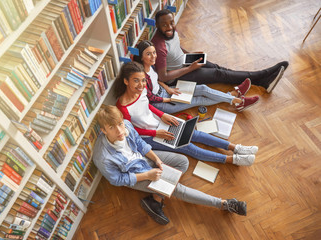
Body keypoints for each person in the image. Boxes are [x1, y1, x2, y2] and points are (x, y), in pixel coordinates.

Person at [93, 105, 248, 225]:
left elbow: (139, 143)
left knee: (183, 161)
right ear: (103, 130)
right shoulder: (102, 157)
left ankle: (156, 198)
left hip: (144, 158)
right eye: (112, 127)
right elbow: (118, 180)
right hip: (135, 172)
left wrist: (157, 160)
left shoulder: (126, 125)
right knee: (178, 189)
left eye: (120, 124)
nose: (120, 130)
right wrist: (148, 175)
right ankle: (224, 204)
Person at [114, 62, 258, 166]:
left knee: (195, 134)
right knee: (188, 147)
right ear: (126, 81)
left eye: (143, 80)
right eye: (136, 81)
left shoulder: (142, 91)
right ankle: (231, 160)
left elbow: (148, 106)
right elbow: (133, 131)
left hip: (160, 122)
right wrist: (156, 133)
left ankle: (236, 148)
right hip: (149, 136)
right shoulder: (122, 107)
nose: (141, 85)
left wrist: (163, 114)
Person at [151, 9, 289, 93]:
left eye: (171, 22)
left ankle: (262, 82)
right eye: (164, 25)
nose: (170, 27)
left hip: (186, 62)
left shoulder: (171, 31)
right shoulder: (159, 46)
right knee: (218, 73)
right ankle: (263, 73)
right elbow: (163, 77)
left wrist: (189, 54)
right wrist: (191, 68)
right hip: (177, 77)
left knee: (218, 68)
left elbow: (176, 47)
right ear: (157, 26)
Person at [134, 40, 260, 113]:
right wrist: (169, 99)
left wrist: (168, 89)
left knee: (203, 89)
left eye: (154, 52)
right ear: (141, 57)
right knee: (198, 100)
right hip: (162, 103)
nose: (154, 56)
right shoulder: (141, 76)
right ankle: (236, 100)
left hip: (166, 91)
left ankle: (233, 96)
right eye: (148, 54)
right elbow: (149, 97)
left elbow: (158, 80)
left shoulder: (152, 67)